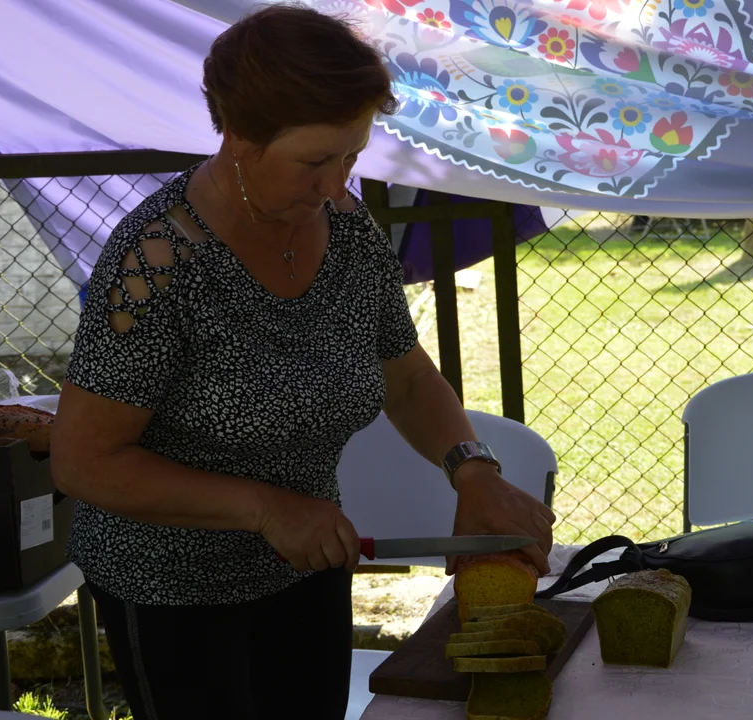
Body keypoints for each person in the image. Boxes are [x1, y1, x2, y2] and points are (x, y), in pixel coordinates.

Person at [50, 5, 555, 719]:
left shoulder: (346, 230)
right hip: (169, 587)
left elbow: (406, 378)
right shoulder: (156, 264)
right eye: (315, 161)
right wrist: (263, 508)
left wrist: (472, 470)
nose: (335, 184)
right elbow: (85, 461)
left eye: (351, 156)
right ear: (237, 136)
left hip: (308, 563)